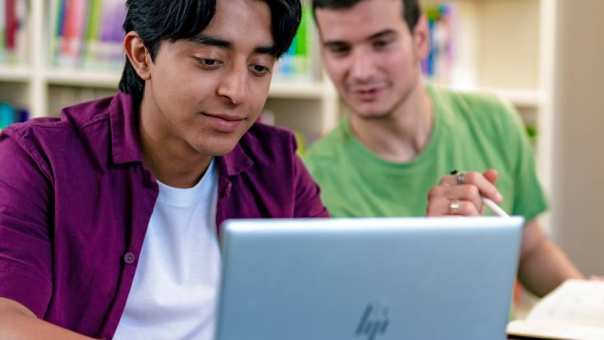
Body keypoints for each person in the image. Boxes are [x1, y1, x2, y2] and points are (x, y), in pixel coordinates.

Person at [0, 0, 328, 339]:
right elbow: (6, 323)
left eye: (259, 68)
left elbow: (334, 300)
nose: (237, 92)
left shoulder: (278, 167)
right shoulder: (39, 160)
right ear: (141, 55)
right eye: (209, 61)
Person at [304, 0, 583, 298]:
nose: (361, 71)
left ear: (421, 39)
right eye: (339, 49)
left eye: (381, 43)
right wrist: (433, 249)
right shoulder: (308, 183)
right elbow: (354, 313)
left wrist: (587, 303)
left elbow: (529, 250)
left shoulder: (493, 120)